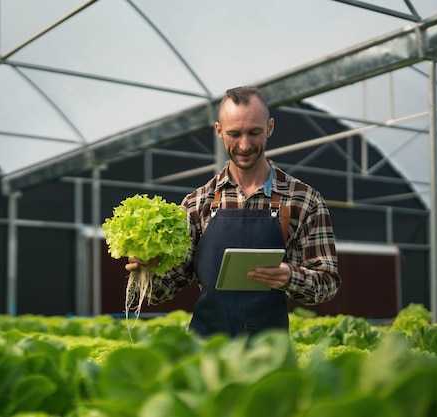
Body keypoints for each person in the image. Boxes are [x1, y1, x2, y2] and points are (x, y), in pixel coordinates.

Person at [126, 86, 340, 338]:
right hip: (206, 351)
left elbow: (327, 283)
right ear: (219, 131)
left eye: (254, 132)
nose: (245, 145)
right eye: (234, 134)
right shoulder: (197, 203)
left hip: (269, 354)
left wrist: (289, 277)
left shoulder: (304, 200)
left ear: (270, 128)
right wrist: (147, 269)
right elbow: (165, 290)